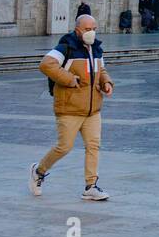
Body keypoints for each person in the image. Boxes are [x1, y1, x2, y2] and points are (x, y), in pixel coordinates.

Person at [30, 14, 113, 201]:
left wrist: (106, 82)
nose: (91, 32)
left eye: (94, 29)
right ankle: (39, 171)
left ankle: (91, 186)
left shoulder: (97, 49)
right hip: (69, 108)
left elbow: (101, 70)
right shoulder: (66, 47)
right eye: (87, 29)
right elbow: (46, 65)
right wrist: (68, 79)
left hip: (93, 110)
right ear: (77, 29)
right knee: (64, 147)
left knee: (93, 146)